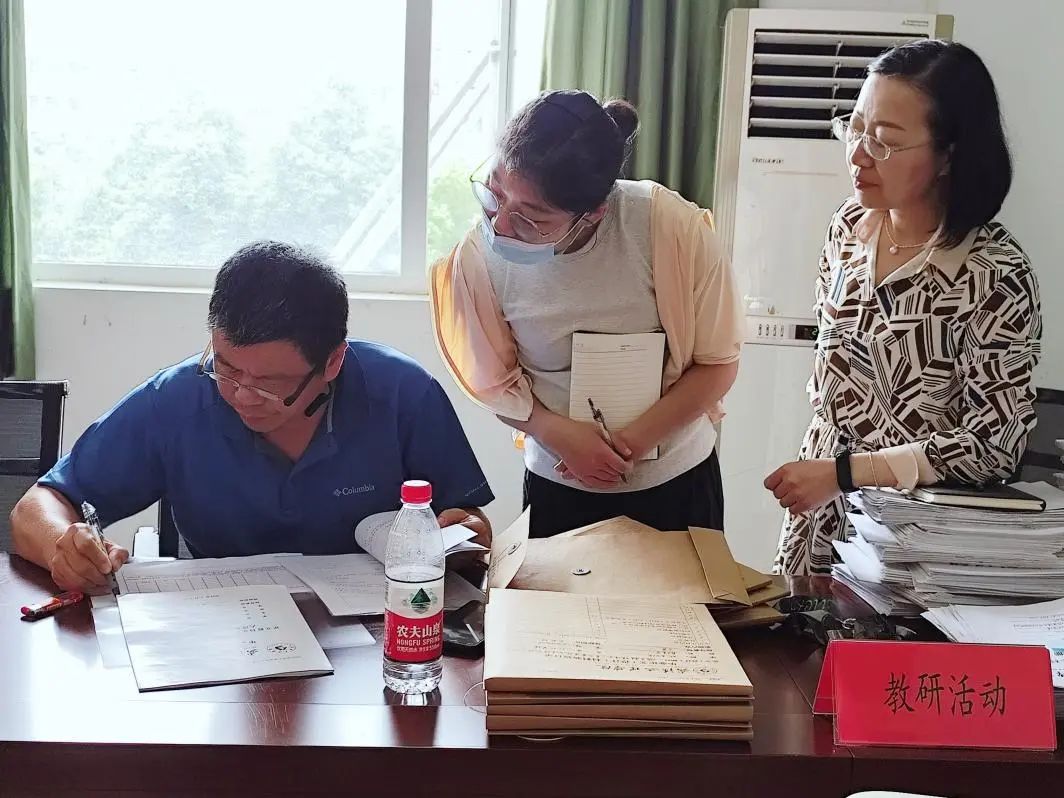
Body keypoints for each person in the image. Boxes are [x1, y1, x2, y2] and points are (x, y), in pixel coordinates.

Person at [11, 241, 494, 591]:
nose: (242, 395)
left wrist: (461, 536)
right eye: (225, 367)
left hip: (376, 635)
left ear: (332, 362)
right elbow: (37, 506)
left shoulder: (403, 394)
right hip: (223, 633)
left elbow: (467, 522)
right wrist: (64, 547)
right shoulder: (179, 398)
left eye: (270, 384)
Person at [766, 40, 1041, 575]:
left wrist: (847, 472)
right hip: (819, 518)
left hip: (915, 541)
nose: (858, 155)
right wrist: (829, 474)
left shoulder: (993, 273)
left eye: (886, 142)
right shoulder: (849, 228)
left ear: (948, 155)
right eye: (855, 129)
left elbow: (993, 444)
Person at [430, 89, 743, 538]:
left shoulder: (669, 227)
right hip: (558, 484)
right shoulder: (477, 258)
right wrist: (556, 433)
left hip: (677, 481)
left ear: (594, 213)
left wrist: (625, 447)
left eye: (532, 219)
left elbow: (717, 364)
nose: (501, 225)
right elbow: (494, 385)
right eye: (494, 194)